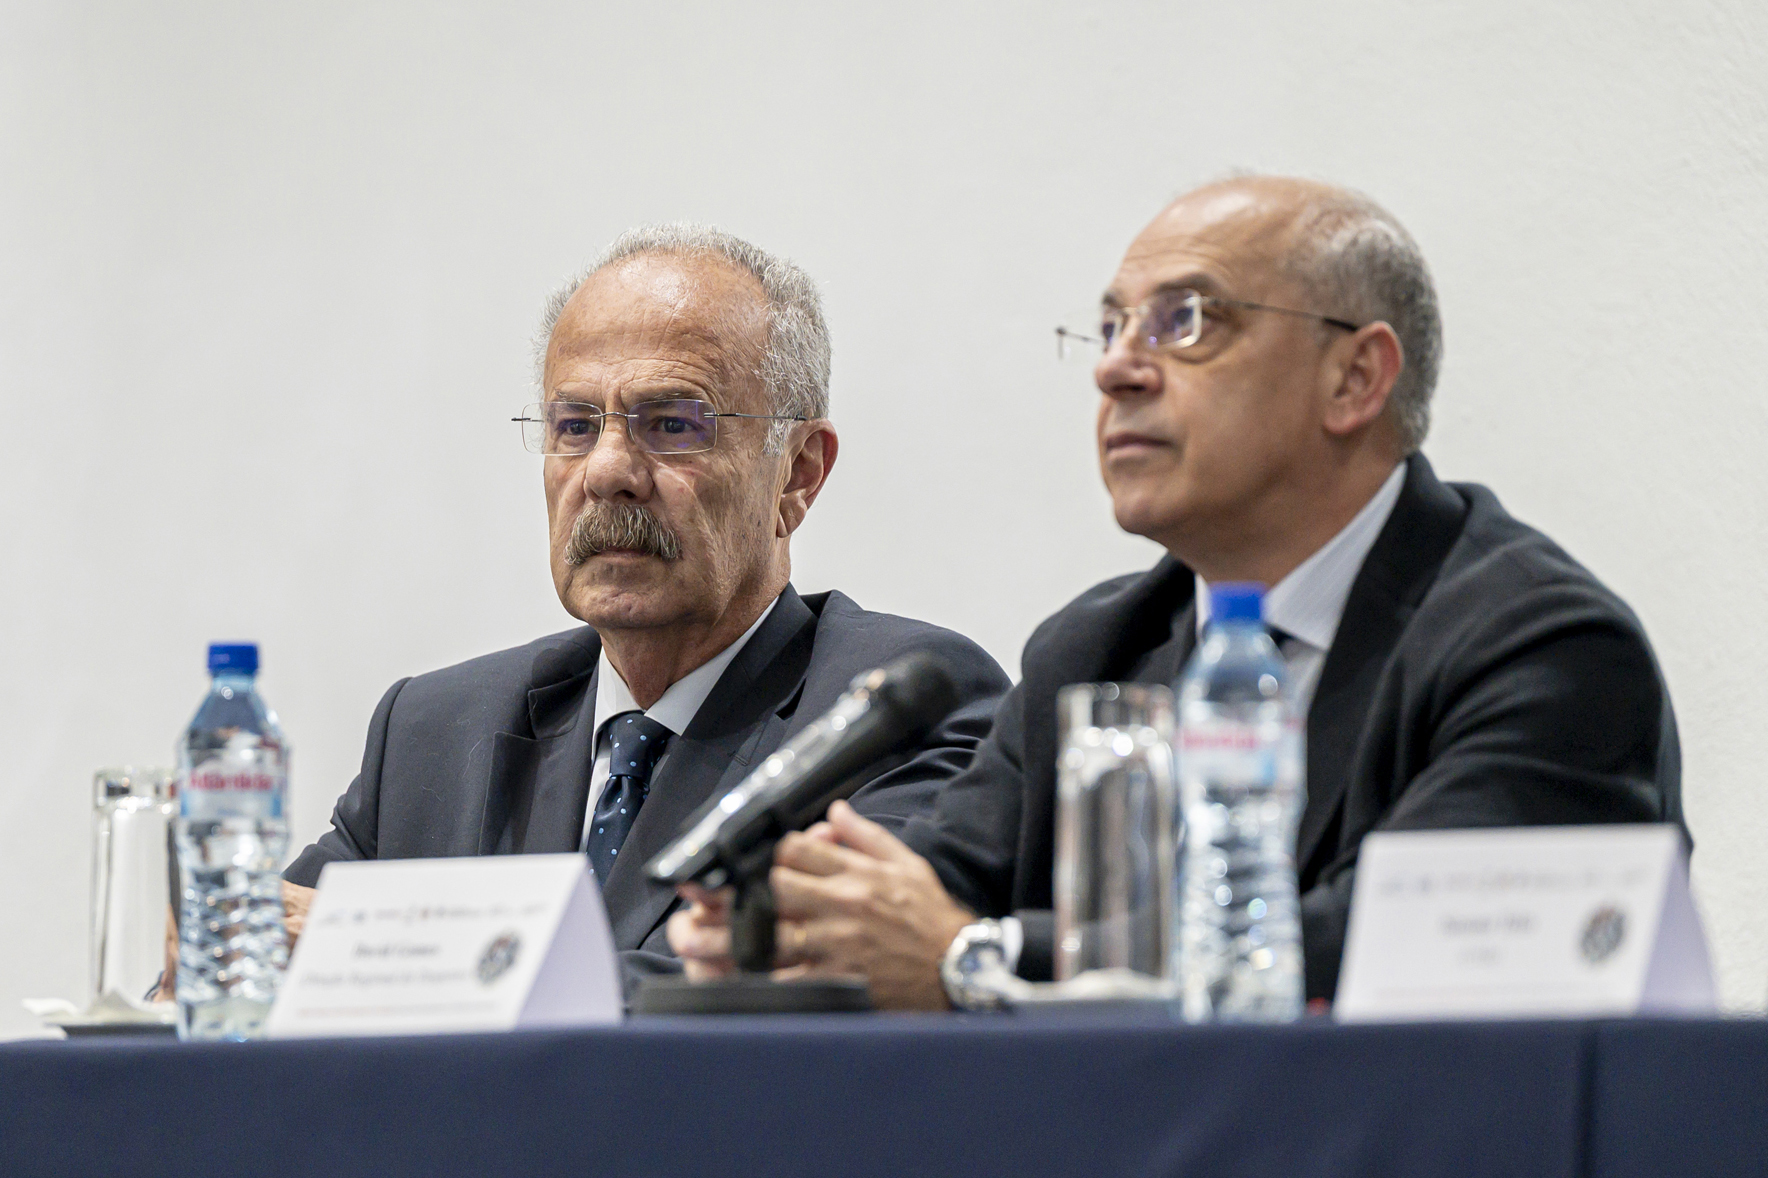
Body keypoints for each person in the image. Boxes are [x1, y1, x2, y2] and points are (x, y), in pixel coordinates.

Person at [668, 176, 1683, 1008]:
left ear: (1355, 378)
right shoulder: (1098, 646)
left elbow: (1403, 954)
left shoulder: (1539, 647)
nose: (1116, 369)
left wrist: (973, 956)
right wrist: (800, 926)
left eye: (1183, 322)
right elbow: (932, 887)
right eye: (1110, 328)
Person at [278, 225, 1010, 979]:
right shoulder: (434, 732)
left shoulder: (893, 715)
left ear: (797, 474)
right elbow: (260, 952)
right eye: (575, 426)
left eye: (671, 425)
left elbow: (747, 989)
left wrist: (368, 948)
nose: (607, 471)